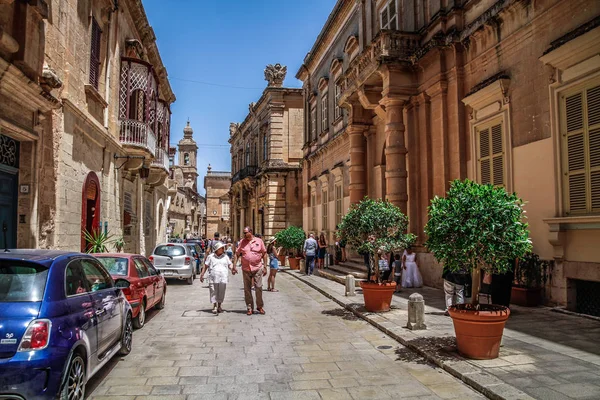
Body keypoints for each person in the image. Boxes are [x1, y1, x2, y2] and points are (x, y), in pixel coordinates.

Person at [234, 226, 267, 315]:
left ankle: (259, 306)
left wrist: (265, 267)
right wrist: (234, 266)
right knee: (247, 289)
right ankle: (249, 307)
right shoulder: (242, 242)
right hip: (246, 269)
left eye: (245, 232)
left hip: (257, 268)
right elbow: (237, 254)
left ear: (250, 232)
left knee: (259, 287)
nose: (244, 234)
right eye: (243, 233)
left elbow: (264, 253)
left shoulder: (259, 241)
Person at [200, 242, 233, 314]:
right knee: (213, 291)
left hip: (223, 277)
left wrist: (233, 269)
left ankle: (219, 305)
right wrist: (202, 274)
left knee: (221, 291)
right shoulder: (211, 257)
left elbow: (230, 265)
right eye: (222, 248)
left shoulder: (225, 256)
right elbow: (205, 266)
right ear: (217, 249)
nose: (223, 249)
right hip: (213, 277)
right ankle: (214, 305)